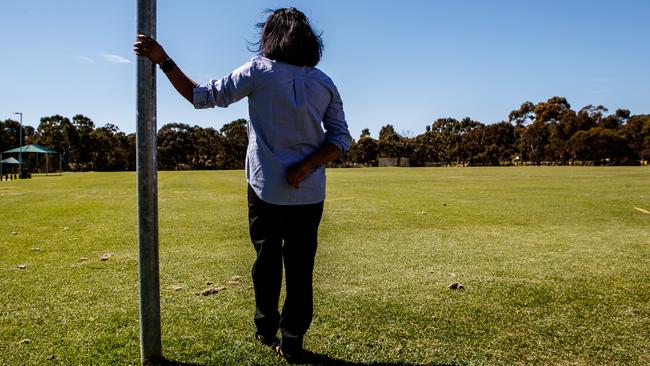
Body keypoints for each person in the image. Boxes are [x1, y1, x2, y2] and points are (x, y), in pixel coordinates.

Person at [133, 7, 352, 362]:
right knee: (301, 268)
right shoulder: (324, 82)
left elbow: (200, 97)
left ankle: (266, 328)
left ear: (272, 37)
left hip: (265, 188)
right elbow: (341, 139)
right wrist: (307, 165)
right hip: (310, 193)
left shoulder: (258, 70)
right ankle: (292, 339)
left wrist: (164, 60)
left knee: (267, 261)